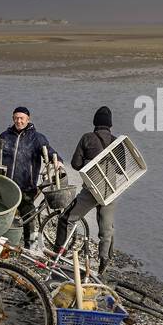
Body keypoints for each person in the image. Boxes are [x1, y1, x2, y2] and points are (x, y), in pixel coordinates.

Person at [54, 106, 118, 273]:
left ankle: (58, 253)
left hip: (91, 189)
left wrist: (89, 164)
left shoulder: (87, 138)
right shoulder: (116, 142)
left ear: (95, 122)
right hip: (110, 191)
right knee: (107, 229)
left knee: (67, 218)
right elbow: (121, 169)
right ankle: (104, 263)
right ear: (110, 124)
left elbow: (75, 164)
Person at [0, 106, 62, 248]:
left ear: (28, 119)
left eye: (22, 118)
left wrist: (58, 162)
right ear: (13, 118)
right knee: (1, 216)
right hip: (6, 184)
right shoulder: (4, 136)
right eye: (16, 118)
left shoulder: (37, 138)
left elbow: (49, 152)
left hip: (26, 186)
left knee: (29, 216)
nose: (19, 121)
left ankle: (29, 246)